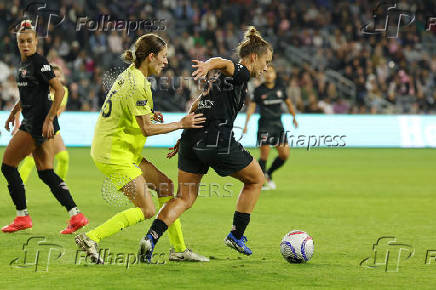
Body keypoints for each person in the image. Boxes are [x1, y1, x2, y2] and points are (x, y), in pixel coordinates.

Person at [138, 26, 272, 263]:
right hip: (217, 140)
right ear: (253, 57)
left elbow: (197, 104)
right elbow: (226, 63)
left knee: (185, 198)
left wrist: (183, 138)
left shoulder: (220, 82)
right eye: (266, 61)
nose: (266, 67)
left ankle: (151, 237)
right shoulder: (239, 72)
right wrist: (210, 64)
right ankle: (236, 234)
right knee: (257, 179)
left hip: (193, 139)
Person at [75, 33, 208, 264]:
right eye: (163, 57)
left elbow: (129, 111)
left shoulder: (132, 75)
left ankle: (178, 250)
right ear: (151, 56)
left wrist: (149, 114)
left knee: (165, 185)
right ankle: (91, 238)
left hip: (123, 149)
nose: (166, 62)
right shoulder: (138, 83)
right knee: (146, 209)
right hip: (114, 153)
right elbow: (146, 129)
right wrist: (180, 124)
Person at [1, 20, 88, 234]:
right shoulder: (23, 64)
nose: (25, 44)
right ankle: (76, 215)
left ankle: (22, 217)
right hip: (37, 121)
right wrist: (14, 111)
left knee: (8, 166)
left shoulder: (39, 62)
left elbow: (59, 90)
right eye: (22, 41)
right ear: (18, 43)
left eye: (29, 41)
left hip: (38, 123)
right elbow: (29, 95)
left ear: (36, 42)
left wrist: (49, 119)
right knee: (46, 172)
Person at [243, 65, 298, 190]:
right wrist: (246, 124)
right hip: (264, 126)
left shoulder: (280, 89)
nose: (268, 74)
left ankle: (269, 172)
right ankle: (260, 182)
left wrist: (294, 117)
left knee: (284, 154)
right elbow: (251, 108)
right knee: (264, 155)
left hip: (278, 126)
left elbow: (289, 104)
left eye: (271, 72)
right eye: (266, 72)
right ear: (262, 75)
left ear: (275, 75)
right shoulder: (258, 90)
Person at [18, 65, 70, 183]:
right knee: (31, 160)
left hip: (52, 127)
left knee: (64, 158)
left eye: (59, 77)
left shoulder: (63, 91)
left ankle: (60, 185)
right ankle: (17, 187)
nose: (57, 80)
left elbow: (60, 110)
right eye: (54, 76)